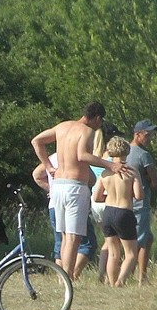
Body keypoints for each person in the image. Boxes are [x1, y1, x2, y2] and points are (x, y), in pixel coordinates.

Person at [32, 102, 131, 280]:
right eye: (100, 122)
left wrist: (48, 166)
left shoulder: (62, 127)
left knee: (63, 236)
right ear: (97, 118)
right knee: (73, 237)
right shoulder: (87, 131)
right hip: (74, 186)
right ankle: (67, 278)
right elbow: (82, 155)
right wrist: (111, 165)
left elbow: (36, 141)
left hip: (58, 185)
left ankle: (62, 277)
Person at [32, 153, 96, 277]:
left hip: (54, 203)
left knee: (60, 242)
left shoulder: (52, 158)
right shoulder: (76, 156)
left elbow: (37, 175)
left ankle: (61, 277)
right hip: (73, 199)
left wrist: (51, 189)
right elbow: (92, 179)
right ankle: (72, 275)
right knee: (87, 243)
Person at [93, 136, 144, 286]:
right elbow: (139, 196)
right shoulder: (131, 171)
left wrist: (109, 197)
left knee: (113, 252)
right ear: (127, 151)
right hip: (124, 212)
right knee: (131, 253)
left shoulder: (105, 173)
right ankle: (120, 281)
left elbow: (96, 197)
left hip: (108, 212)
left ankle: (112, 281)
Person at [126, 120, 157, 284]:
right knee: (141, 240)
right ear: (137, 134)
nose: (150, 138)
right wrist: (148, 178)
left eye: (151, 135)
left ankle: (136, 275)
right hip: (140, 203)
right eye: (147, 135)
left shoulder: (124, 152)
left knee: (145, 239)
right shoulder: (143, 155)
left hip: (124, 202)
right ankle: (140, 276)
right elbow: (155, 182)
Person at [90, 121, 122, 282]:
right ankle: (110, 276)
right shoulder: (111, 159)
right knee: (114, 242)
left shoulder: (94, 156)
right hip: (109, 198)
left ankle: (102, 273)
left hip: (95, 201)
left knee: (108, 239)